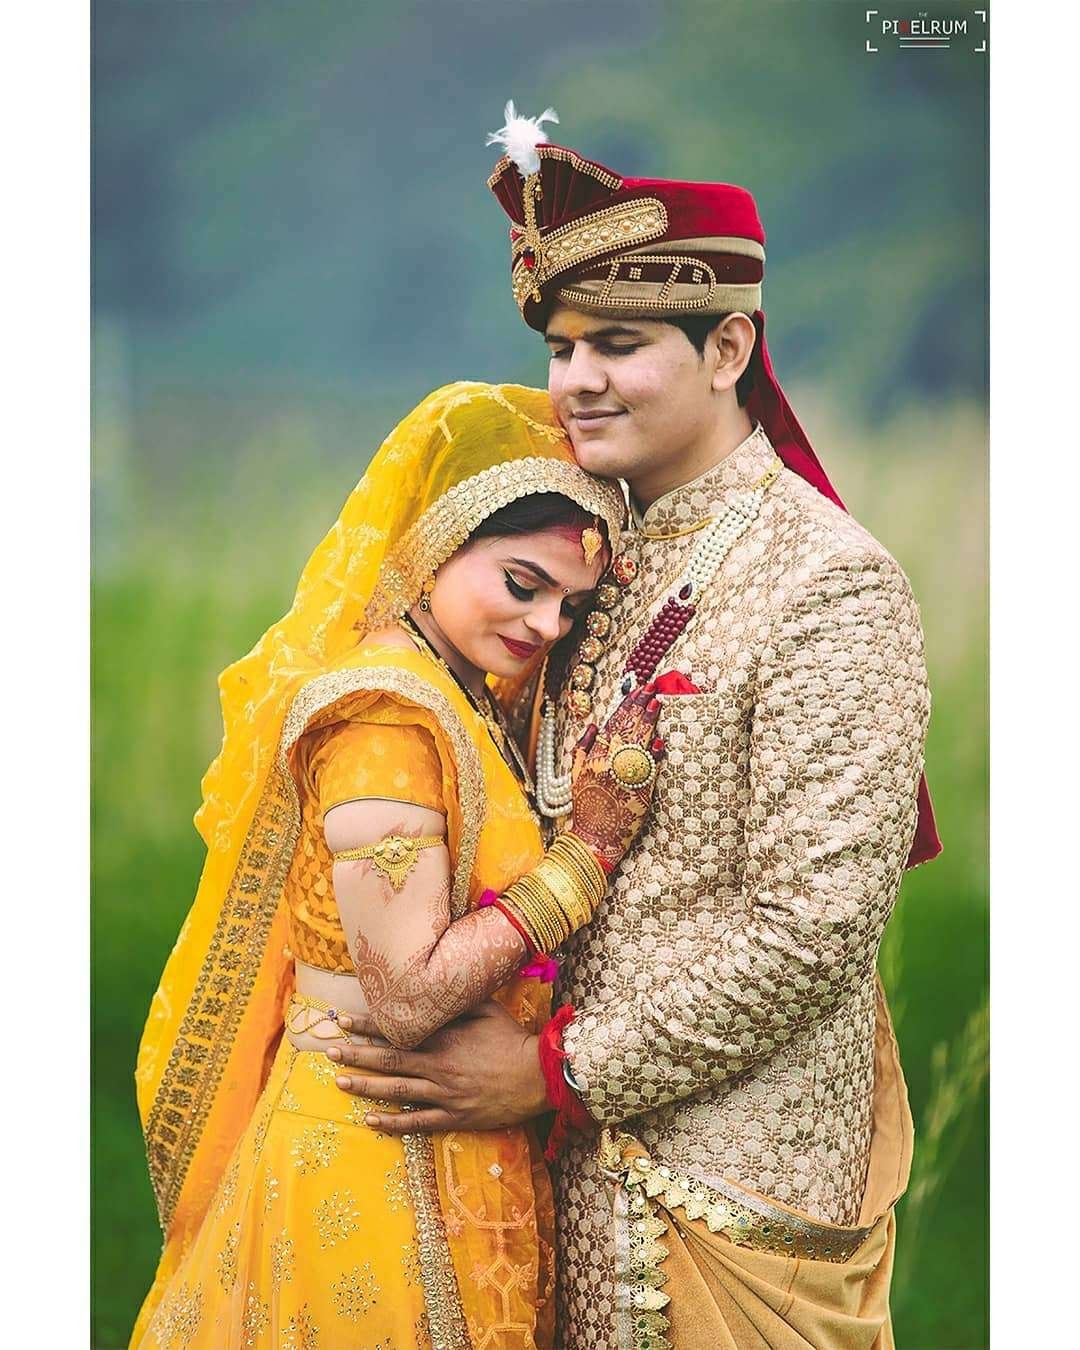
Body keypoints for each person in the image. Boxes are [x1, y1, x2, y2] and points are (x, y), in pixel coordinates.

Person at [330, 112, 942, 1348]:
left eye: (618, 343)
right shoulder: (568, 553)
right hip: (539, 1187)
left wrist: (552, 1073)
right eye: (562, 347)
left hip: (730, 1196)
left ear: (729, 348)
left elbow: (811, 928)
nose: (575, 381)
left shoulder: (830, 582)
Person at [128, 380, 671, 1349]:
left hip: (441, 1145)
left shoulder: (458, 694)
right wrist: (585, 859)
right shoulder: (385, 719)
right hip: (368, 1164)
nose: (548, 626)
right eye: (522, 584)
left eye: (571, 604)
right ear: (435, 542)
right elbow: (409, 995)